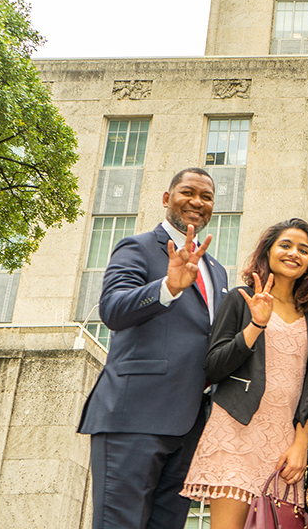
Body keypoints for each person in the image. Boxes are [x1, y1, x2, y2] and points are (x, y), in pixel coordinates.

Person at [78, 167, 228, 529]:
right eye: (187, 192)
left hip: (189, 423)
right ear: (166, 199)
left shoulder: (217, 271)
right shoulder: (138, 247)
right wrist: (168, 287)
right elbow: (112, 309)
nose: (196, 202)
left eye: (206, 197)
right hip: (135, 416)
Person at [180, 218, 308, 528]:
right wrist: (256, 325)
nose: (293, 254)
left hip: (286, 443)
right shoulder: (240, 299)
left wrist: (301, 443)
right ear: (268, 251)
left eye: (303, 249)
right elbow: (215, 366)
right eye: (285, 245)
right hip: (237, 430)